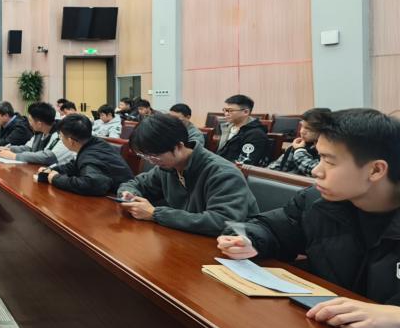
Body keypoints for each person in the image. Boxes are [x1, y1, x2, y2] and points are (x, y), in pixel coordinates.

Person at [217, 109, 400, 328]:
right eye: (319, 157)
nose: (315, 170)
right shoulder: (317, 202)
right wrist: (250, 240)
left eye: (329, 162)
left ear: (375, 170)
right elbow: (274, 228)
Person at [116, 113, 258, 236]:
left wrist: (155, 214)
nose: (151, 161)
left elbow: (222, 221)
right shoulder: (167, 167)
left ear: (178, 146)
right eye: (144, 156)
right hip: (187, 237)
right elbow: (135, 184)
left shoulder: (222, 173)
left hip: (235, 244)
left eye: (154, 156)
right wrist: (129, 195)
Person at [43, 114, 134, 196]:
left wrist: (56, 179)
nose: (61, 139)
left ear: (71, 141)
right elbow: (75, 165)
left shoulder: (90, 154)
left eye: (61, 136)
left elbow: (92, 184)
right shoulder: (93, 143)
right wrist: (53, 170)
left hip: (120, 199)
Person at [0, 102, 73, 165]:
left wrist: (15, 156)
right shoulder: (40, 132)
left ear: (39, 124)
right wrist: (11, 149)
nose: (28, 123)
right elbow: (29, 148)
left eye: (30, 120)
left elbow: (47, 157)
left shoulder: (62, 134)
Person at [268, 108, 331, 177]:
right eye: (302, 126)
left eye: (308, 128)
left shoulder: (328, 150)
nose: (302, 132)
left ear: (323, 130)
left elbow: (314, 171)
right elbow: (277, 165)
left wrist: (299, 150)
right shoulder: (301, 144)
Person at [216, 94, 269, 166]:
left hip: (231, 170)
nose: (226, 113)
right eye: (225, 110)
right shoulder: (224, 127)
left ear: (246, 112)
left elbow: (245, 163)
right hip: (219, 166)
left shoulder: (255, 134)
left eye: (230, 110)